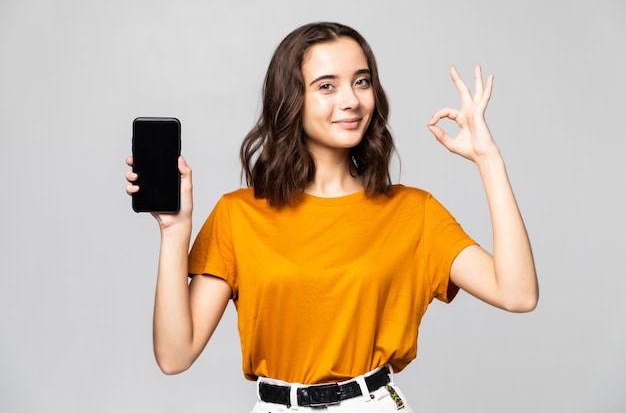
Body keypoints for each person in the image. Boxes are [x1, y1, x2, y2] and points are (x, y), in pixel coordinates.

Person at [125, 21, 538, 413]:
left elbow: (518, 294)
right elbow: (175, 355)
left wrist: (489, 160)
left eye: (361, 81)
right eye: (327, 86)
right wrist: (175, 233)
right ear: (291, 100)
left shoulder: (414, 212)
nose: (351, 100)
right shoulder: (239, 215)